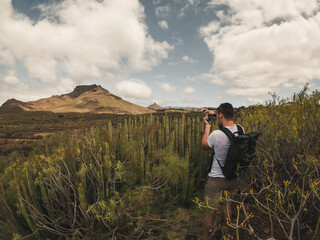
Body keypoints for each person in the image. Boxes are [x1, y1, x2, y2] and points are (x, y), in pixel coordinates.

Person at [201, 103, 244, 240]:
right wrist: (216, 113)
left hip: (216, 181)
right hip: (233, 178)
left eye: (217, 116)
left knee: (209, 212)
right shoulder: (240, 129)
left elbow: (204, 145)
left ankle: (204, 237)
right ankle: (224, 235)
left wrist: (208, 126)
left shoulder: (216, 134)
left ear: (220, 116)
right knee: (227, 206)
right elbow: (228, 123)